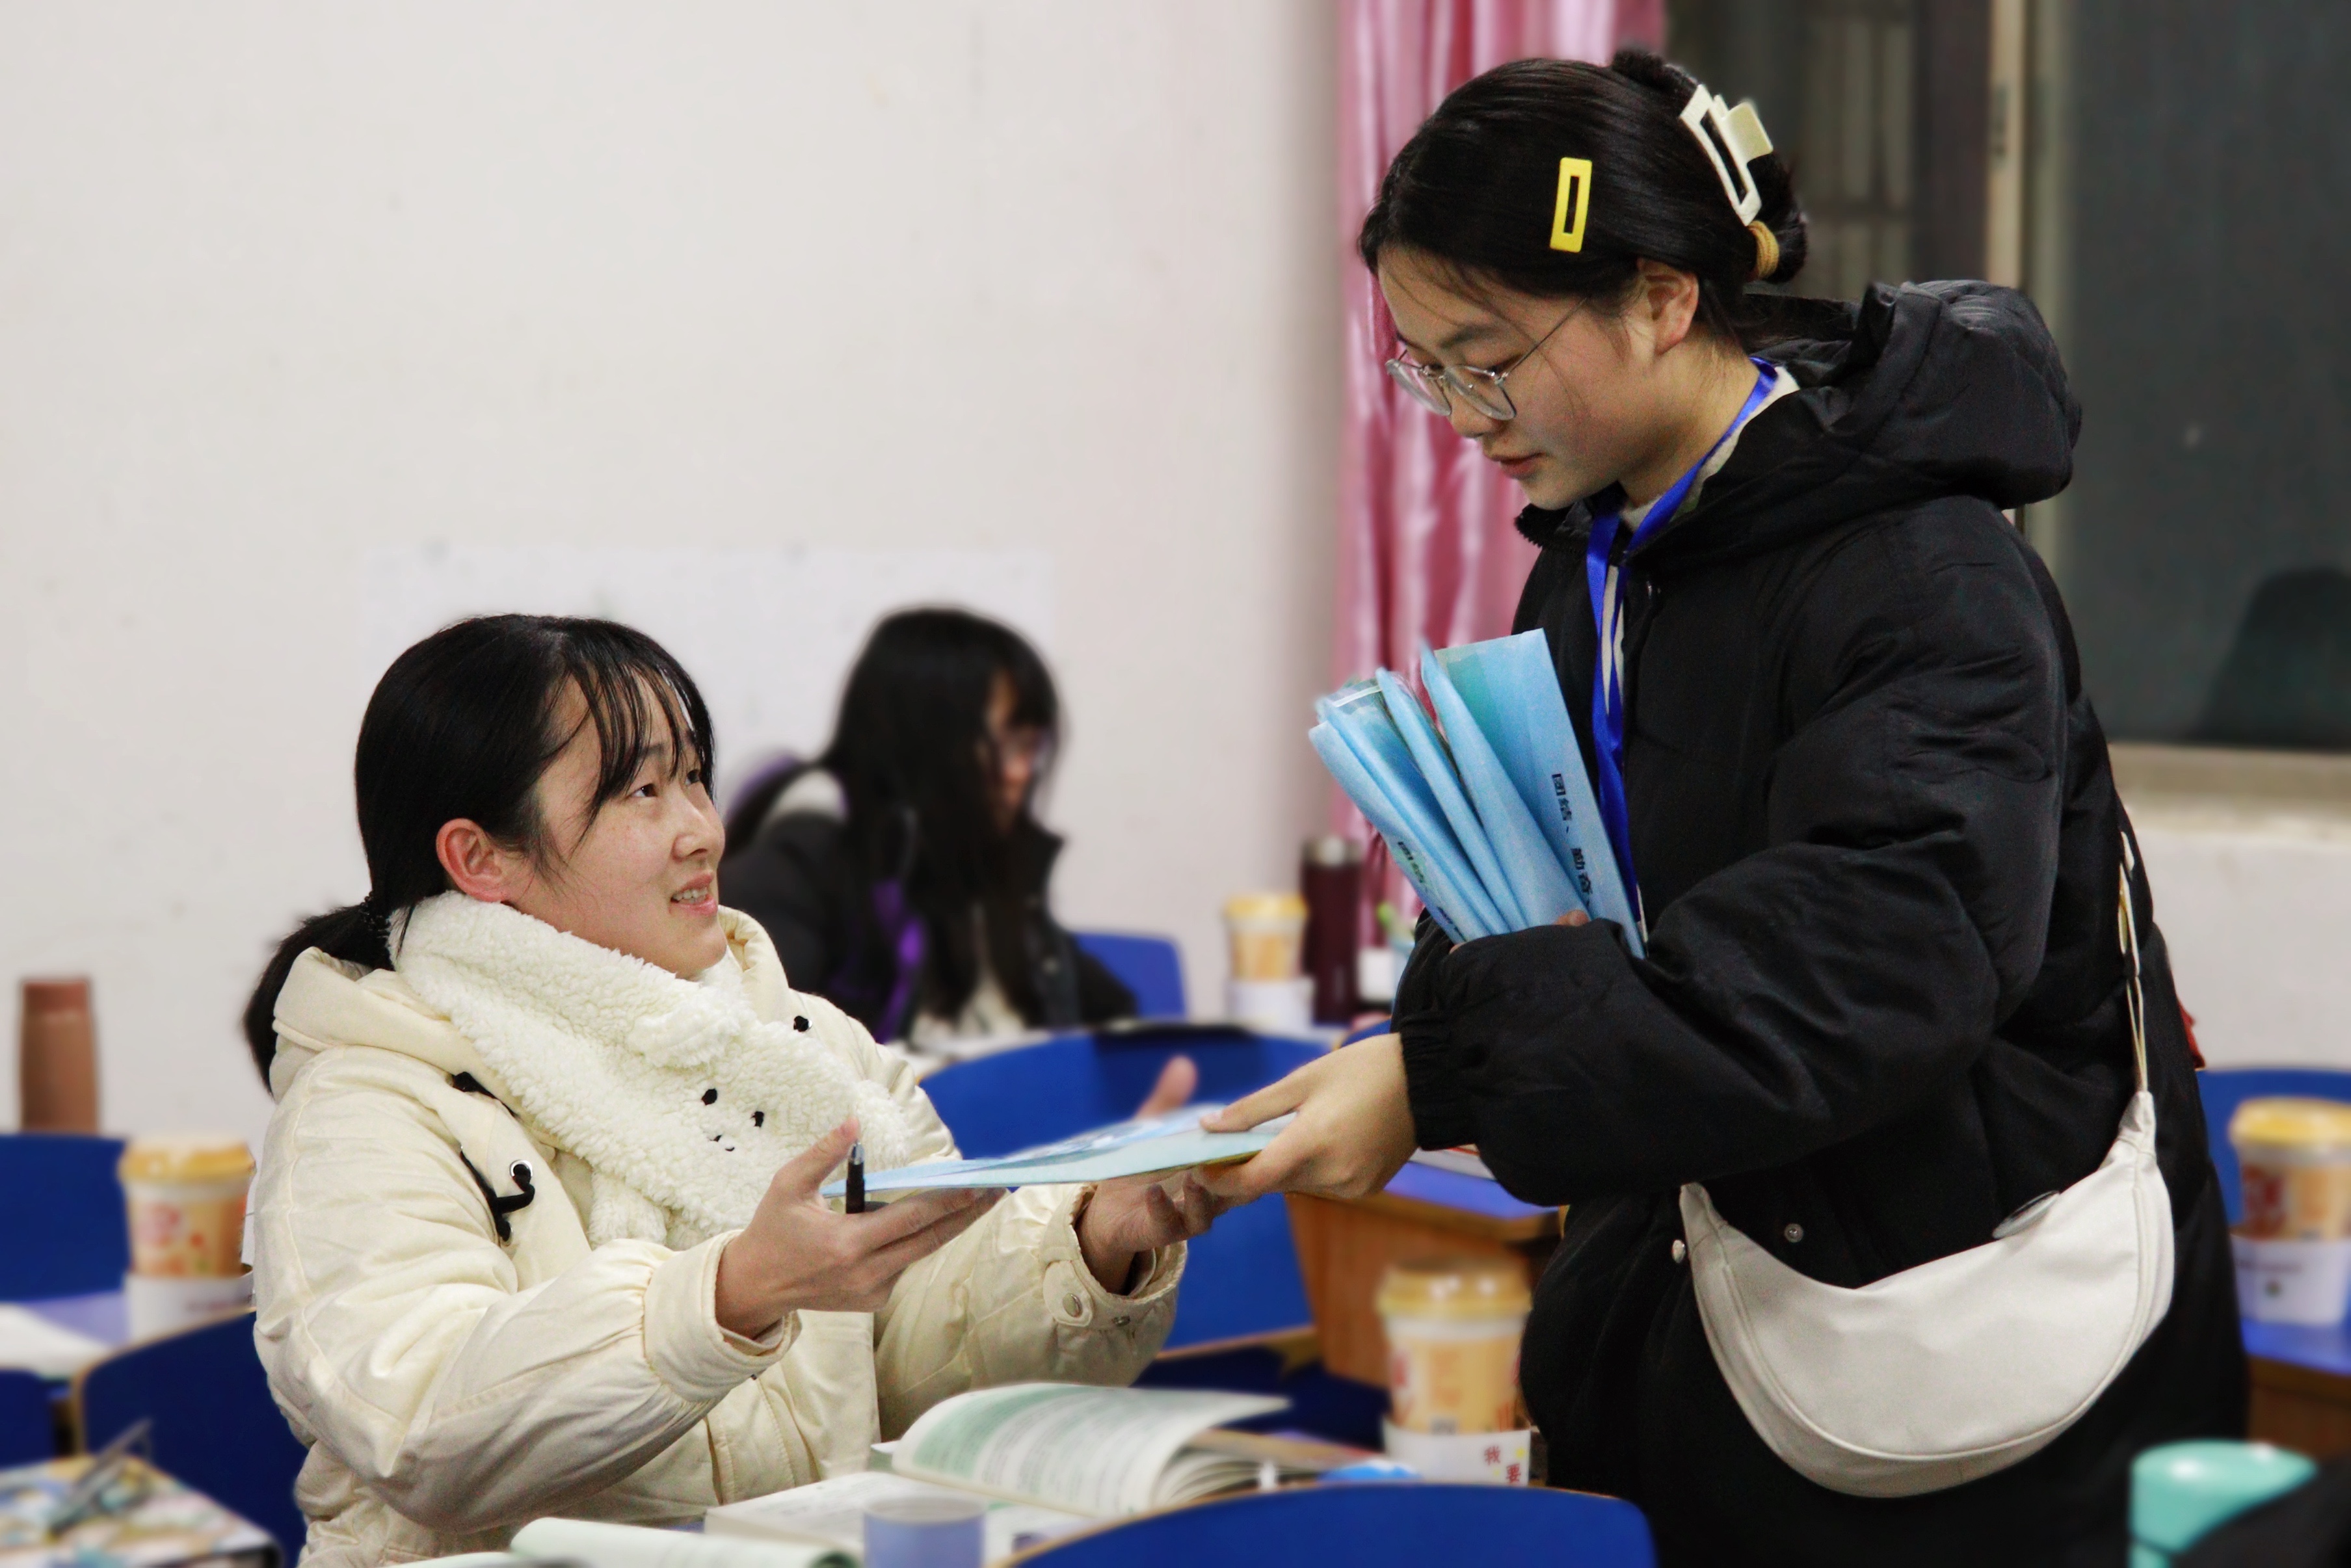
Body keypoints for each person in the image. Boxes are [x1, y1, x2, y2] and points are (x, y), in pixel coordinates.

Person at [1201, 51, 2243, 1565]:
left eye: (1487, 356)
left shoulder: (1922, 574)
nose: (1459, 415)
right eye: (1424, 368)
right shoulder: (1604, 562)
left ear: (1661, 296)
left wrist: (1440, 1078)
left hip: (1966, 1379)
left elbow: (1867, 960)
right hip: (1717, 1317)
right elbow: (1549, 901)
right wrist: (1422, 1039)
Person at [243, 615, 1220, 1567]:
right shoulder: (367, 1100)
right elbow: (416, 1420)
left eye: (695, 776)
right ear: (481, 858)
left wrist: (1092, 1240)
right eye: (642, 791)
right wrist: (730, 1292)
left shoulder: (797, 1045)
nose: (702, 829)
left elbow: (915, 1355)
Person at [721, 608, 1136, 1046]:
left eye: (1031, 746)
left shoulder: (984, 864)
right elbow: (762, 1050)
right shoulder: (802, 865)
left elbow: (1113, 1019)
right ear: (927, 741)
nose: (1021, 772)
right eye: (1006, 744)